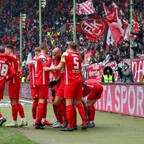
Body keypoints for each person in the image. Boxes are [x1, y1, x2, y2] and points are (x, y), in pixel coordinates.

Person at [44, 42, 87, 131]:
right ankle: (84, 122)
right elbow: (79, 70)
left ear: (69, 47)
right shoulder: (78, 56)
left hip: (69, 82)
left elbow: (59, 67)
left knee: (69, 104)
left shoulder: (65, 55)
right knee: (78, 103)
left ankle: (70, 124)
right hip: (78, 81)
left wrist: (48, 69)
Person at [29, 43, 52, 129]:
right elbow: (45, 66)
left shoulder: (40, 57)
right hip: (42, 81)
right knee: (41, 101)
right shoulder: (42, 57)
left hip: (39, 81)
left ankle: (41, 120)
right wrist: (50, 59)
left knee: (43, 101)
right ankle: (37, 121)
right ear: (45, 48)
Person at [4, 45, 27, 127]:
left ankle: (14, 121)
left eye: (6, 50)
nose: (5, 51)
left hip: (13, 82)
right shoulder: (15, 58)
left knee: (13, 101)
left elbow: (13, 72)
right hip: (16, 81)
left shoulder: (11, 59)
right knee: (17, 101)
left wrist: (6, 79)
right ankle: (24, 120)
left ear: (9, 50)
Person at [0, 46, 15, 126]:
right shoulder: (7, 61)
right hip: (2, 84)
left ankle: (1, 118)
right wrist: (5, 79)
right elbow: (13, 73)